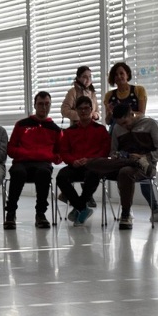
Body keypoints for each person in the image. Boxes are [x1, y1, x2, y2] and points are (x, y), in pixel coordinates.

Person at [85, 104, 158, 230]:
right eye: (120, 124)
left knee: (125, 172)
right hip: (123, 163)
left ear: (132, 114)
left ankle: (125, 214)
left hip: (146, 166)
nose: (124, 126)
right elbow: (113, 152)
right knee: (92, 164)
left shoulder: (150, 124)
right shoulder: (117, 128)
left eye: (125, 122)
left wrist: (143, 157)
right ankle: (133, 162)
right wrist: (120, 156)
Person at [4, 91, 61, 230]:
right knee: (18, 173)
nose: (44, 107)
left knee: (44, 173)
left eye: (47, 104)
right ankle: (10, 213)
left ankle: (40, 214)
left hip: (43, 164)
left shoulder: (55, 129)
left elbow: (60, 155)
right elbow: (10, 149)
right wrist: (25, 154)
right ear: (35, 105)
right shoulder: (21, 125)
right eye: (40, 104)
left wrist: (48, 157)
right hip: (22, 162)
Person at [55, 95, 108, 226]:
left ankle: (79, 207)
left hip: (93, 165)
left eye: (86, 108)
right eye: (80, 108)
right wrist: (73, 161)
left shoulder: (100, 129)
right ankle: (82, 207)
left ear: (91, 109)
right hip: (75, 165)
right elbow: (64, 152)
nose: (83, 111)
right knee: (61, 177)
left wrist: (90, 160)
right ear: (76, 111)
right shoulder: (69, 131)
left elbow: (105, 151)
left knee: (93, 174)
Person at [102, 61, 147, 126]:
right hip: (116, 128)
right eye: (116, 75)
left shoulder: (139, 90)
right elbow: (108, 122)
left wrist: (126, 114)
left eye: (121, 73)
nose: (119, 76)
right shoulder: (109, 95)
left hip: (136, 127)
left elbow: (142, 114)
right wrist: (109, 114)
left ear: (127, 75)